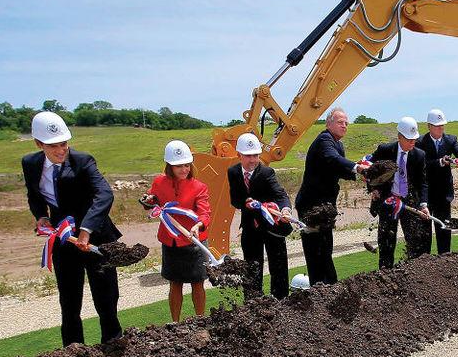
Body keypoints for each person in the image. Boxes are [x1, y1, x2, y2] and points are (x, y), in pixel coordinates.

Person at [22, 111, 122, 347]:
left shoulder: (83, 161)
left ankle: (113, 344)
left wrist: (86, 229)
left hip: (96, 237)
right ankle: (73, 351)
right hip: (64, 240)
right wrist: (40, 216)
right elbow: (34, 195)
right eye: (53, 146)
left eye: (64, 144)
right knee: (69, 299)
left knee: (105, 296)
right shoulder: (30, 164)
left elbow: (104, 194)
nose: (60, 150)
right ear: (39, 144)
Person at [295, 107, 368, 285]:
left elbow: (338, 168)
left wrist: (358, 171)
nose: (344, 126)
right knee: (316, 249)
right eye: (340, 122)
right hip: (312, 206)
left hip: (325, 206)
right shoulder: (324, 140)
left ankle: (326, 285)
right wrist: (357, 168)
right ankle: (322, 286)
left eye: (346, 123)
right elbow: (332, 159)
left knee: (325, 247)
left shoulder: (337, 144)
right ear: (329, 123)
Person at [143, 140, 211, 321]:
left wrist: (198, 225)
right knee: (175, 283)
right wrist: (147, 200)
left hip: (194, 242)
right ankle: (175, 322)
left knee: (198, 283)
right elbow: (152, 200)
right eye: (179, 166)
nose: (184, 169)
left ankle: (200, 319)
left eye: (187, 165)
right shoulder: (159, 182)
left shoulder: (199, 187)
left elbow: (205, 213)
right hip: (171, 241)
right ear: (169, 166)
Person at [227, 132, 292, 299]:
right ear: (239, 154)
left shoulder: (267, 173)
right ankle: (253, 303)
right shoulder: (233, 172)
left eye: (255, 155)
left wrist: (285, 210)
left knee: (278, 267)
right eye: (248, 156)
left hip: (272, 226)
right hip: (249, 228)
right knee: (251, 268)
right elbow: (234, 199)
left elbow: (280, 194)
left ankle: (281, 301)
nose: (253, 160)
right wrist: (246, 202)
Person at [367, 117, 430, 269]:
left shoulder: (419, 155)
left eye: (414, 139)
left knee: (414, 242)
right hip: (387, 203)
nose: (412, 143)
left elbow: (423, 183)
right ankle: (385, 275)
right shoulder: (385, 150)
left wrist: (423, 204)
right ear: (399, 137)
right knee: (386, 243)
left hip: (409, 203)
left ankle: (413, 273)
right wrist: (373, 188)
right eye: (409, 140)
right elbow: (369, 170)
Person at [417, 108, 458, 254]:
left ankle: (445, 257)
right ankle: (424, 259)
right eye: (437, 125)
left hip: (444, 192)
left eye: (442, 125)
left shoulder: (450, 139)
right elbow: (422, 164)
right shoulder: (420, 142)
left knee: (444, 228)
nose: (440, 128)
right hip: (426, 192)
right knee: (424, 231)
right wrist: (439, 161)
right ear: (429, 126)